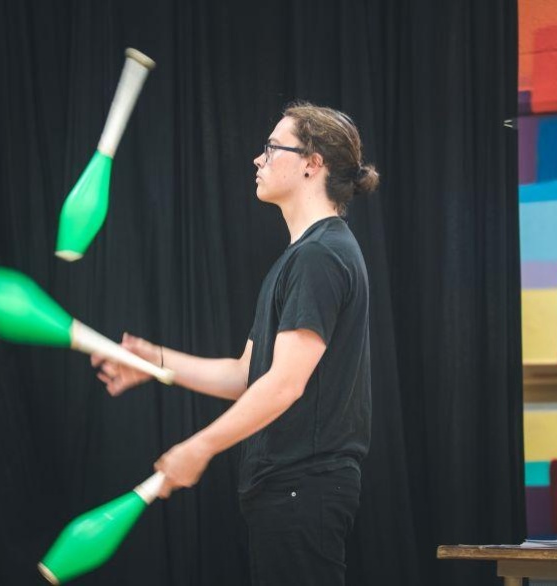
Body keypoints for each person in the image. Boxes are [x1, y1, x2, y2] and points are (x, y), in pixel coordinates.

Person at [92, 101, 379, 585]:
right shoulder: (300, 258)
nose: (257, 160)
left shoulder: (320, 257)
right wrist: (154, 361)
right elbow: (247, 375)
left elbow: (285, 385)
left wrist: (199, 447)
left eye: (271, 148)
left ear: (313, 163)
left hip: (302, 487)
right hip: (285, 490)